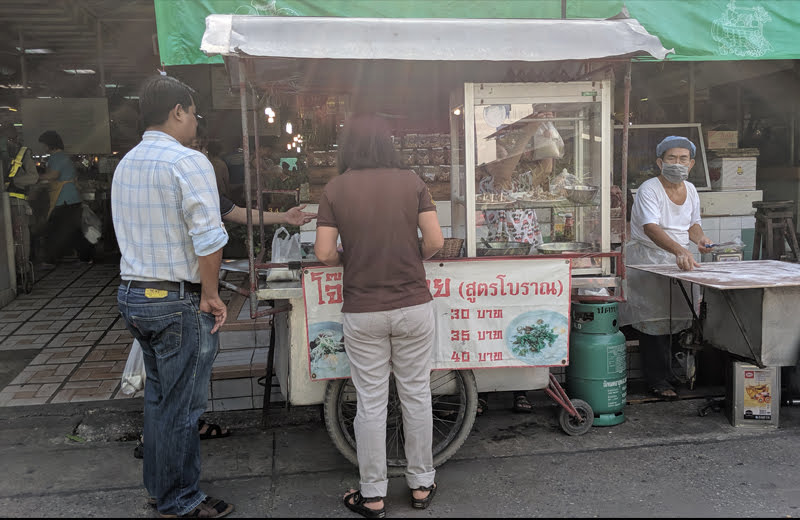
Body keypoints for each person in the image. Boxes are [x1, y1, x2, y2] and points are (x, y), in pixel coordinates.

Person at [112, 74, 234, 519]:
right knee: (183, 407)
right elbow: (209, 237)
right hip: (176, 302)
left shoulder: (127, 163)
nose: (196, 122)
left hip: (134, 296)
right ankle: (180, 502)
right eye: (194, 113)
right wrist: (211, 294)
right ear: (178, 110)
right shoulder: (187, 161)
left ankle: (161, 489)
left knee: (160, 401)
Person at [315, 113, 444, 518]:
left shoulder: (335, 188)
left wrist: (350, 257)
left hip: (363, 310)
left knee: (371, 403)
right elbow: (436, 242)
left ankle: (373, 495)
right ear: (388, 143)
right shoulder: (412, 182)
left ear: (348, 146)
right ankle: (422, 485)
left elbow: (322, 254)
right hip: (413, 306)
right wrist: (410, 256)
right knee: (416, 394)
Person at [476, 110, 562, 414]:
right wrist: (529, 129)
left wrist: (543, 133)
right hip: (499, 260)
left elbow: (546, 164)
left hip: (527, 260)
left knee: (523, 323)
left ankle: (520, 390)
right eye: (495, 154)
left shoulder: (522, 179)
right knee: (492, 325)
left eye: (504, 151)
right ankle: (484, 390)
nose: (501, 157)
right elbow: (505, 171)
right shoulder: (490, 182)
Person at [619, 136, 713, 400]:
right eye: (671, 158)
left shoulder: (691, 189)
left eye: (683, 159)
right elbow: (651, 228)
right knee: (654, 324)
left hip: (679, 261)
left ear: (692, 163)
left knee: (678, 322)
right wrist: (680, 250)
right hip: (649, 261)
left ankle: (672, 374)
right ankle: (657, 380)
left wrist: (700, 239)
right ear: (660, 162)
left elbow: (693, 224)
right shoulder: (650, 189)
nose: (677, 163)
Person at [37, 130, 94, 265]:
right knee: (72, 230)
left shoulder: (56, 158)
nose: (43, 147)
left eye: (44, 144)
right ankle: (85, 256)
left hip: (63, 198)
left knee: (54, 228)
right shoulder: (62, 156)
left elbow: (53, 175)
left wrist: (35, 178)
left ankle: (51, 258)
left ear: (49, 144)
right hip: (71, 198)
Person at [1, 124, 39, 279]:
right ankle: (22, 269)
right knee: (21, 236)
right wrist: (16, 181)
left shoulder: (22, 152)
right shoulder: (23, 152)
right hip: (16, 201)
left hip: (13, 201)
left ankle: (17, 269)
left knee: (16, 236)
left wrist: (12, 181)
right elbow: (34, 177)